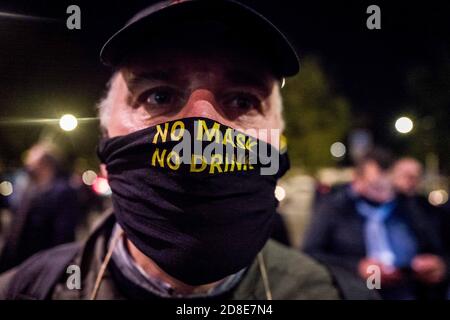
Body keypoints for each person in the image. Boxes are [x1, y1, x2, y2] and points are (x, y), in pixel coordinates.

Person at [0, 0, 340, 300]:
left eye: (242, 101)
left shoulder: (328, 292)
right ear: (105, 131)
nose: (202, 125)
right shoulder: (26, 291)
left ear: (278, 136)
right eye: (159, 96)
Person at [303, 148, 448, 299]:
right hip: (355, 289)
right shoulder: (335, 207)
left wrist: (439, 265)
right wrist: (356, 267)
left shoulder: (410, 207)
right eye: (375, 186)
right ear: (357, 179)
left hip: (407, 287)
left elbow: (439, 246)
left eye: (388, 185)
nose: (383, 193)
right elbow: (311, 254)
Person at [0, 143, 80, 272]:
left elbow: (63, 236)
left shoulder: (62, 192)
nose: (28, 164)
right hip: (18, 264)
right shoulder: (29, 188)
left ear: (44, 163)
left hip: (41, 267)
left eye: (31, 160)